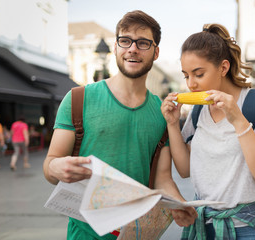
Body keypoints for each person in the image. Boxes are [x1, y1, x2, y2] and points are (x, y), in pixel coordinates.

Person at [43, 10, 197, 240]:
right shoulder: (78, 99)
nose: (132, 48)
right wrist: (55, 168)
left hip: (137, 233)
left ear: (156, 53)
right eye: (125, 41)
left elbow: (162, 179)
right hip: (85, 234)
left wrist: (179, 203)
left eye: (143, 43)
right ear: (115, 47)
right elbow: (50, 165)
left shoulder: (162, 112)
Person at [161, 23, 255, 239]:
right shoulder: (198, 112)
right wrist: (173, 124)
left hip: (251, 228)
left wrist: (238, 119)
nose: (191, 84)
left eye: (198, 74)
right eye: (186, 76)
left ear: (223, 68)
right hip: (206, 226)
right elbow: (184, 170)